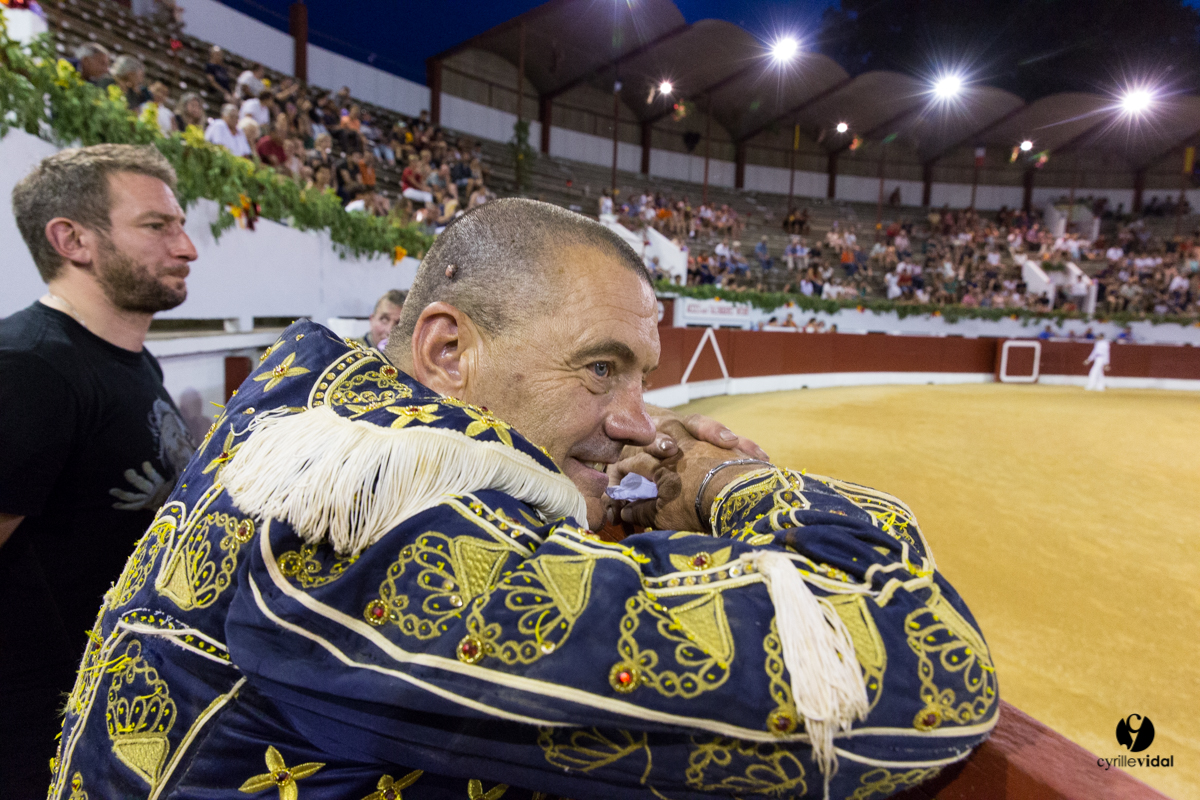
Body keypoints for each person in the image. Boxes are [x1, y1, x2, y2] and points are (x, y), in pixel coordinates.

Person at [49, 200, 996, 800]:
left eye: (640, 376)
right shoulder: (384, 530)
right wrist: (731, 485)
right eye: (599, 368)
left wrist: (585, 514)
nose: (637, 424)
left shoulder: (314, 413)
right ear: (448, 351)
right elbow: (932, 676)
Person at [1, 144, 198, 797]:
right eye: (156, 226)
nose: (187, 247)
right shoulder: (29, 368)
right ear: (72, 239)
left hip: (118, 715)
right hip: (37, 741)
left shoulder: (134, 362)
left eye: (180, 224)